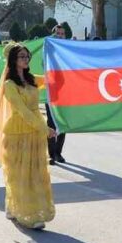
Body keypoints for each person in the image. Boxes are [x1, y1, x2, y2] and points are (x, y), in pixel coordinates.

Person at [0, 44, 57, 228]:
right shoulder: (9, 84)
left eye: (27, 56)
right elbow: (23, 111)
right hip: (18, 132)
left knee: (35, 172)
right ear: (13, 60)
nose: (25, 60)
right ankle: (27, 215)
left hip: (35, 132)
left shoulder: (32, 79)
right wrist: (45, 128)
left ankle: (14, 207)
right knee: (19, 174)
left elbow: (54, 79)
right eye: (21, 57)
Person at [46, 24, 68, 163]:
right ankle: (51, 154)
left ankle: (58, 153)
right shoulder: (47, 49)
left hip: (65, 92)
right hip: (50, 91)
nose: (60, 36)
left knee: (62, 122)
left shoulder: (68, 50)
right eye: (57, 33)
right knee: (51, 123)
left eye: (62, 34)